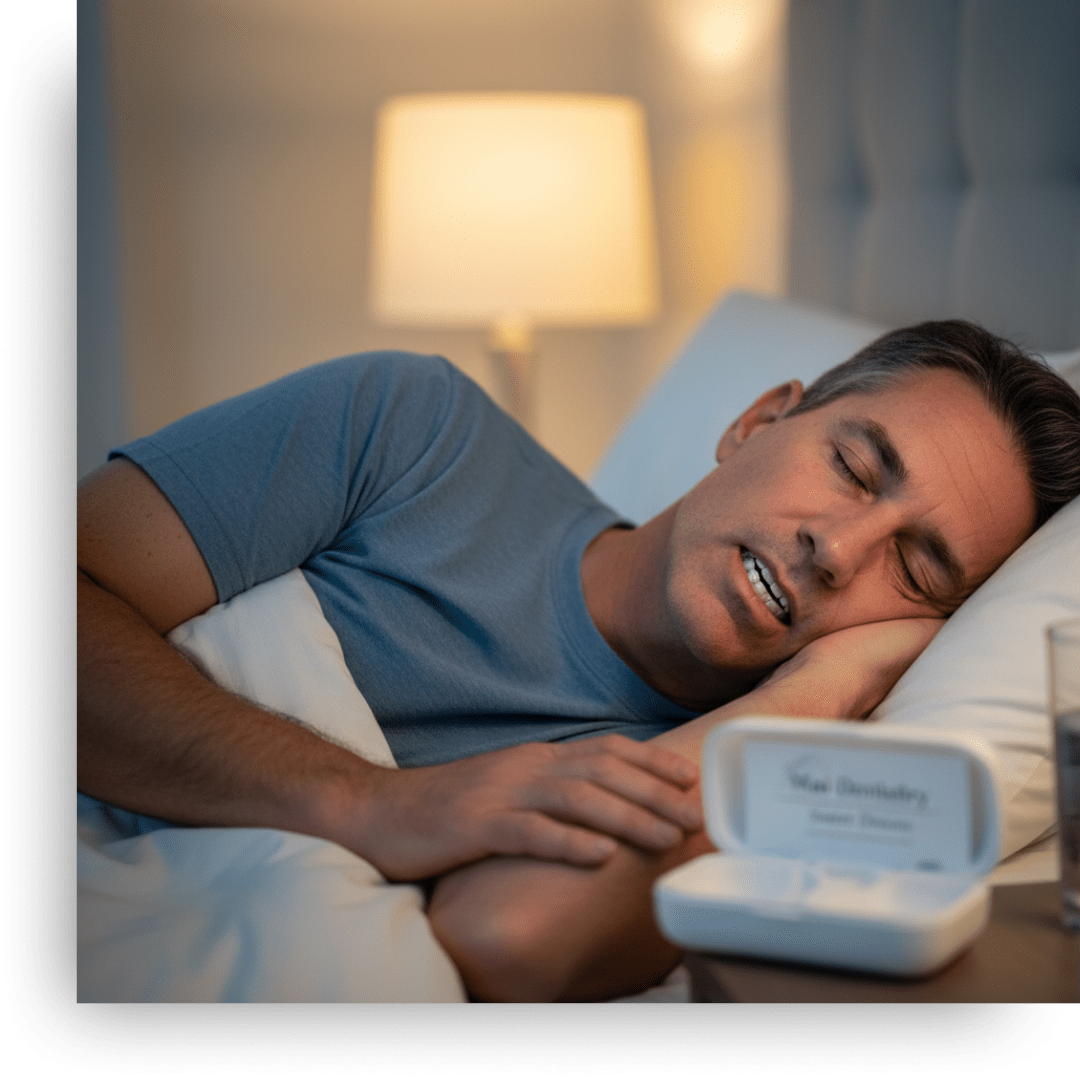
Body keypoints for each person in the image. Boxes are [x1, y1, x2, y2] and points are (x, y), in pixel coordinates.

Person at [76, 319, 1080, 1001]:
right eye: (855, 468)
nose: (840, 548)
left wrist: (834, 684)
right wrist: (367, 805)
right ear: (758, 423)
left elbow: (506, 938)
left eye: (917, 567)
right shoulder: (409, 428)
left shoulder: (740, 788)